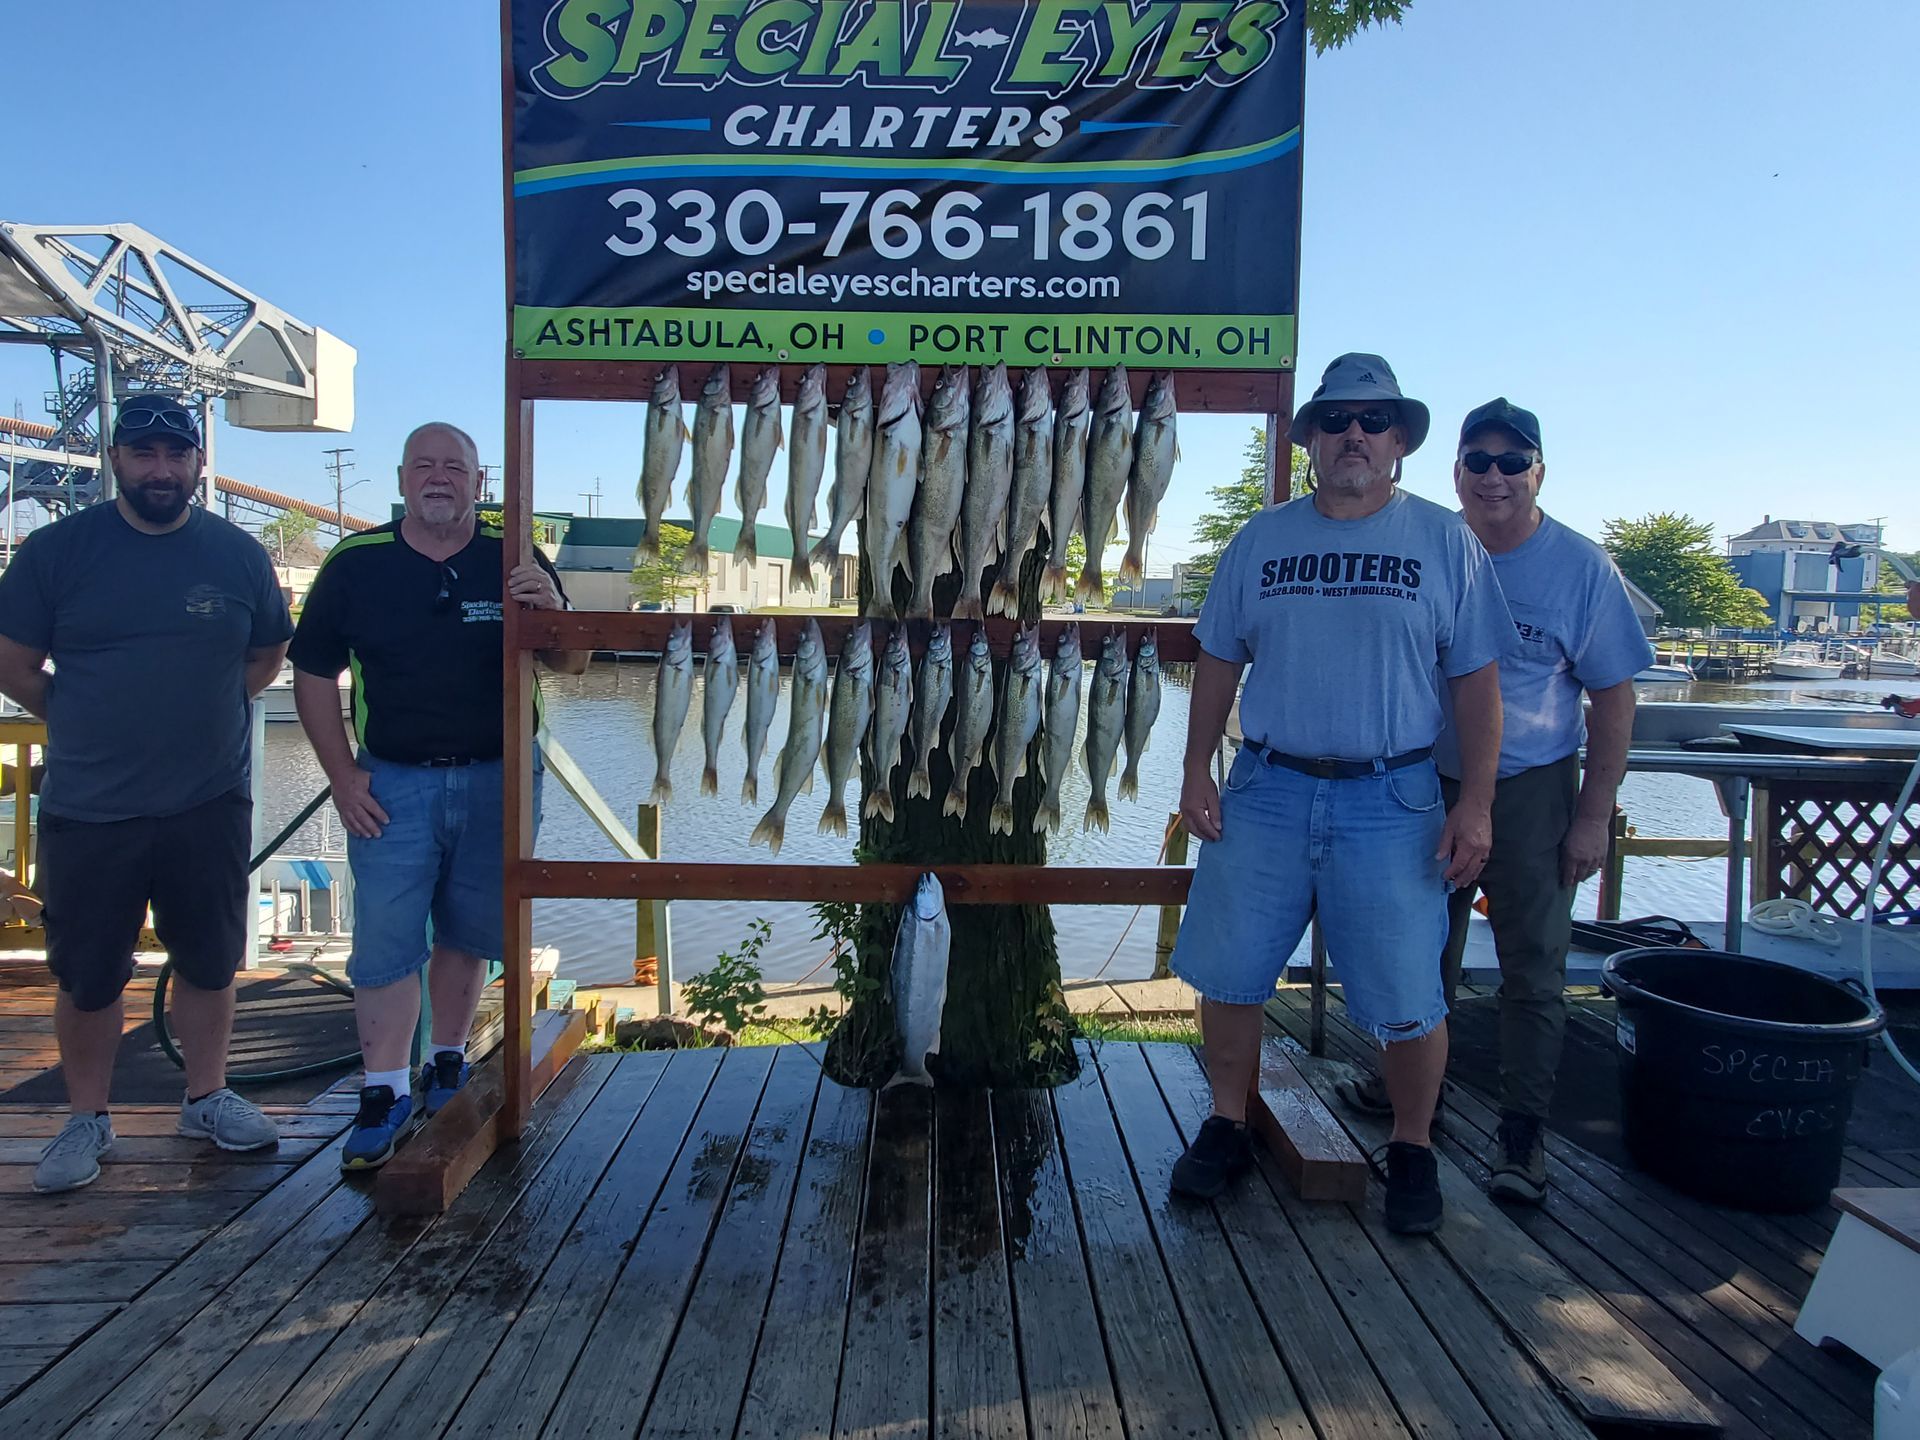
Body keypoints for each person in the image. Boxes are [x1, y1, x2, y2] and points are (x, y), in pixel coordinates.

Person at [1169, 354, 1510, 1234]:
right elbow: (1217, 658)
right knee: (1232, 974)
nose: (1353, 433)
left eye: (1373, 419)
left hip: (1390, 799)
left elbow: (1476, 685)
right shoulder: (1260, 539)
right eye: (1336, 420)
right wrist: (1196, 763)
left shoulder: (1446, 541)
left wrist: (1475, 804)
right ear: (1311, 438)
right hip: (1268, 787)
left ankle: (1412, 1145)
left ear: (1398, 441)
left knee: (1408, 994)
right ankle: (1227, 1122)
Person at [1339, 399, 1652, 1204]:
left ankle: (1522, 1132)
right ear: (1455, 472)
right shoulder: (1430, 546)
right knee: (1414, 955)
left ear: (1539, 473)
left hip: (1531, 790)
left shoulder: (1582, 569)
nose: (1494, 477)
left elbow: (1614, 703)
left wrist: (1592, 815)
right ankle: (1415, 1095)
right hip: (1418, 782)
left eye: (1513, 463)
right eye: (1478, 461)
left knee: (1533, 970)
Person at [0, 394, 292, 1193]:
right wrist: (89, 717)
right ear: (117, 461)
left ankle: (206, 1096)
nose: (160, 470)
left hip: (208, 799)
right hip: (91, 807)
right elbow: (16, 665)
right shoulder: (56, 552)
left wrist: (194, 708)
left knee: (209, 962)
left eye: (176, 455)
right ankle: (88, 1118)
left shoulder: (237, 555)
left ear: (199, 464)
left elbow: (266, 657)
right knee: (90, 974)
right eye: (144, 454)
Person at [289, 422, 587, 1170]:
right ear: (400, 479)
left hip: (500, 779)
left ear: (479, 483)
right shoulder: (356, 563)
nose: (439, 476)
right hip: (392, 782)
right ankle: (384, 1089)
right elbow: (313, 672)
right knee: (387, 939)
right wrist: (341, 773)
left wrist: (548, 604)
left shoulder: (512, 555)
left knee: (472, 931)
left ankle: (448, 1060)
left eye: (454, 466)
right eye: (423, 464)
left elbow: (575, 660)